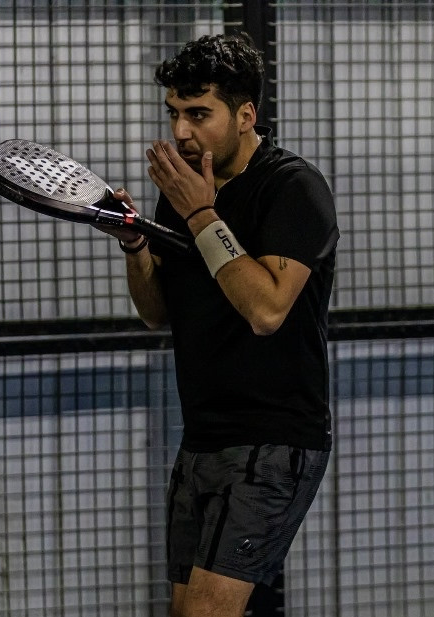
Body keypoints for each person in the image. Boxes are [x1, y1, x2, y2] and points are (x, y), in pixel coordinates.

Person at [97, 34, 339, 616]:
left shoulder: (292, 187)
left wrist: (202, 214)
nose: (181, 132)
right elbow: (157, 311)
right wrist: (134, 242)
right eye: (174, 114)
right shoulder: (181, 192)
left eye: (199, 114)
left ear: (246, 115)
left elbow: (267, 310)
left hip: (274, 440)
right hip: (203, 436)